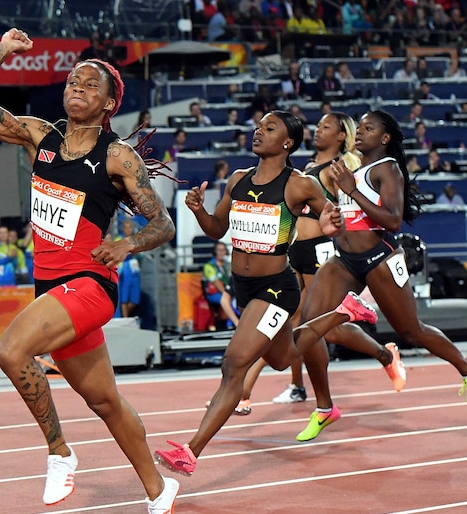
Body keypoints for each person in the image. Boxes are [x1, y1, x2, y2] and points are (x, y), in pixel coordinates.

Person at [0, 28, 179, 514]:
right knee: (106, 402)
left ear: (107, 103)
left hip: (90, 283)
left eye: (90, 83)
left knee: (11, 351)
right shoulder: (39, 136)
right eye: (73, 79)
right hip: (51, 289)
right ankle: (158, 488)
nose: (77, 85)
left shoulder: (119, 157)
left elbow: (162, 224)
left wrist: (125, 247)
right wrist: (3, 53)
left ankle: (59, 452)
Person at [152, 110, 379, 476]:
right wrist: (198, 211)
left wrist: (329, 224)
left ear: (287, 142)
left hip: (276, 288)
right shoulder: (238, 181)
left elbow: (332, 219)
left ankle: (190, 451)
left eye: (269, 128)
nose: (259, 132)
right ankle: (344, 312)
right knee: (282, 357)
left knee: (233, 365)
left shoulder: (299, 184)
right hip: (244, 288)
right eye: (258, 127)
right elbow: (216, 229)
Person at [294, 110, 467, 442]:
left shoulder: (387, 169)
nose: (361, 132)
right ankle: (324, 408)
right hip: (344, 259)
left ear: (384, 138)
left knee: (411, 331)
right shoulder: (350, 170)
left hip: (380, 257)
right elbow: (348, 215)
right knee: (308, 327)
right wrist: (332, 219)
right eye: (361, 127)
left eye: (369, 128)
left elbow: (393, 220)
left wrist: (352, 191)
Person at [267, 111, 407, 405]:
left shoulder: (345, 166)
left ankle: (276, 388)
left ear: (342, 135)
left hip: (323, 249)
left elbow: (355, 199)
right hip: (298, 250)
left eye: (325, 127)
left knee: (303, 322)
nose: (317, 130)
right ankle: (379, 354)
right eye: (317, 125)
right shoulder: (308, 166)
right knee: (310, 324)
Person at [202, 241, 240, 329]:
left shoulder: (228, 265)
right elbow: (216, 283)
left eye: (223, 250)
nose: (221, 253)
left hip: (228, 290)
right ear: (215, 252)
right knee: (226, 300)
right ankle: (227, 324)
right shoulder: (209, 266)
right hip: (214, 293)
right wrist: (228, 293)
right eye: (219, 250)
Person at [114, 218, 142, 318]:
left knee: (135, 299)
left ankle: (125, 316)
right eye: (126, 227)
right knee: (124, 297)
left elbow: (139, 253)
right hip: (124, 270)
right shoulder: (119, 239)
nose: (128, 230)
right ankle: (125, 318)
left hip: (135, 270)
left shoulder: (135, 239)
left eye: (130, 227)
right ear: (123, 229)